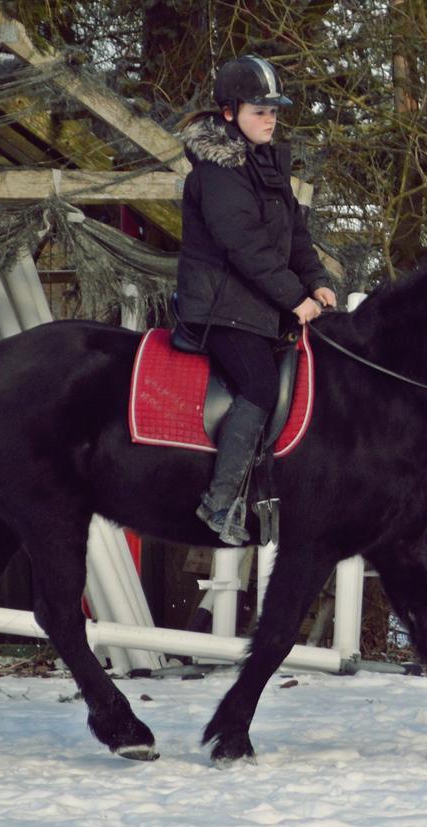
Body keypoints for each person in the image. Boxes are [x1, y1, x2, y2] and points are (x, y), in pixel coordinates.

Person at [176, 54, 337, 545]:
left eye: (274, 111)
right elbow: (244, 244)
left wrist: (316, 280)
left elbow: (295, 236)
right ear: (229, 113)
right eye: (259, 111)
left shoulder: (265, 164)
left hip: (257, 308)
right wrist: (294, 298)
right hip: (219, 310)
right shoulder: (217, 172)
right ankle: (220, 503)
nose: (270, 120)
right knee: (260, 386)